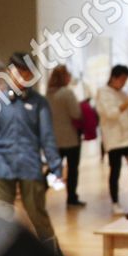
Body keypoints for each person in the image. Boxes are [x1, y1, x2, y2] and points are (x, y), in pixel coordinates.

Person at [0, 53, 63, 255]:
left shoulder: (39, 103)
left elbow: (47, 136)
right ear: (9, 72)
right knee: (0, 214)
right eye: (17, 71)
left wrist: (56, 166)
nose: (21, 76)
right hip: (2, 165)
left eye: (26, 72)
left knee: (38, 215)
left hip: (30, 165)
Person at [96, 64, 128, 208]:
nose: (124, 82)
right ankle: (115, 202)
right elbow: (111, 114)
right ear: (114, 77)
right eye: (122, 79)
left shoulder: (123, 94)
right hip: (114, 141)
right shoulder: (103, 93)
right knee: (115, 171)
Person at [46, 65, 84, 207]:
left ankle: (40, 192)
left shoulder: (48, 94)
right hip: (70, 138)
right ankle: (72, 198)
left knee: (53, 168)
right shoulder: (67, 93)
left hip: (54, 138)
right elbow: (76, 114)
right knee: (73, 169)